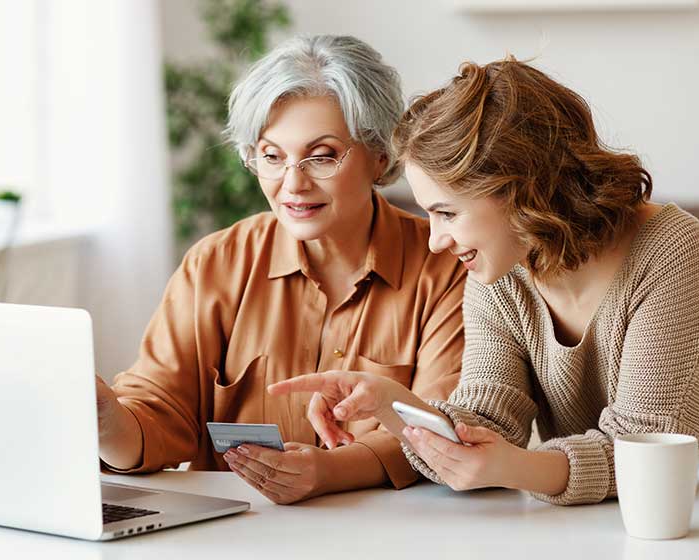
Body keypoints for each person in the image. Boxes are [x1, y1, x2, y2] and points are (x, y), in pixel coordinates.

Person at [269, 56, 699, 506]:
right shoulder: (502, 268)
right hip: (601, 522)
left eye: (447, 213)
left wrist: (513, 467)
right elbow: (489, 421)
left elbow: (653, 453)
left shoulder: (670, 250)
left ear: (521, 189)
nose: (435, 242)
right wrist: (390, 405)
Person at [94, 35, 468, 505]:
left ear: (380, 155)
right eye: (272, 156)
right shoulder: (215, 264)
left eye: (323, 155)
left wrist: (327, 472)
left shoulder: (447, 268)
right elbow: (159, 412)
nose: (293, 183)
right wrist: (108, 421)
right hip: (239, 536)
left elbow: (441, 426)